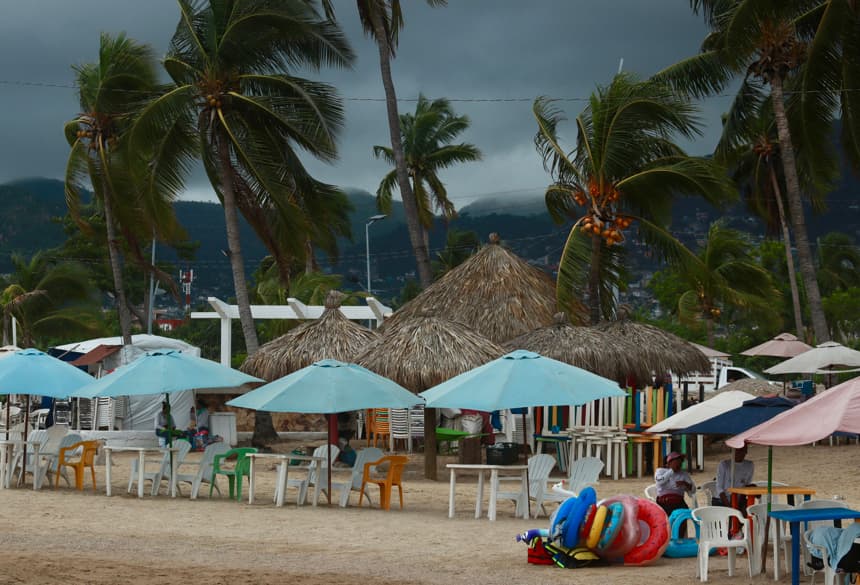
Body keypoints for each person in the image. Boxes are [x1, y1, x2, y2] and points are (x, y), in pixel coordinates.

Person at [712, 443, 755, 512]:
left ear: (746, 451)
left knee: (749, 511)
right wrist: (730, 507)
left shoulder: (749, 465)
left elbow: (746, 486)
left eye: (742, 450)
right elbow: (719, 488)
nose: (740, 452)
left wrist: (738, 505)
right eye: (737, 450)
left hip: (738, 499)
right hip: (721, 499)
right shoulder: (724, 464)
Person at [654, 451, 694, 518]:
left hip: (678, 503)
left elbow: (693, 490)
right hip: (663, 503)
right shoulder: (660, 471)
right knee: (665, 520)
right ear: (669, 462)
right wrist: (671, 471)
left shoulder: (683, 474)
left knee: (682, 516)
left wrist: (685, 484)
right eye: (677, 461)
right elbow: (659, 481)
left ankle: (681, 528)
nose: (679, 463)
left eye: (680, 461)